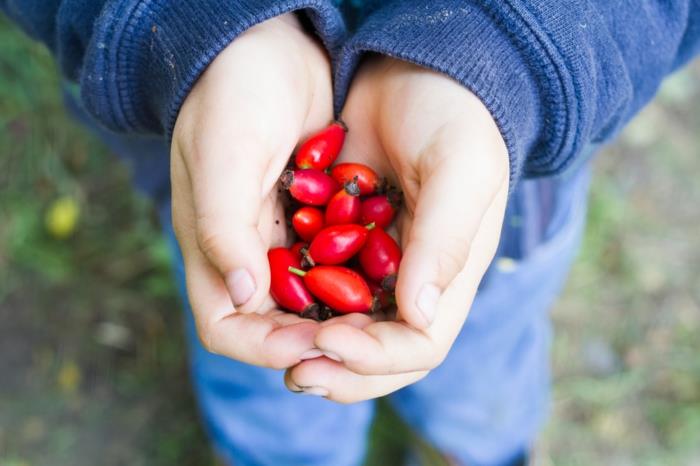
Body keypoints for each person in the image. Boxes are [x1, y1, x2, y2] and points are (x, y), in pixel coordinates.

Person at [2, 1, 699, 465]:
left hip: (506, 180)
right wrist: (194, 25)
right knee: (262, 366)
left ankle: (481, 446)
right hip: (215, 141)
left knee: (484, 356)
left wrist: (510, 58)